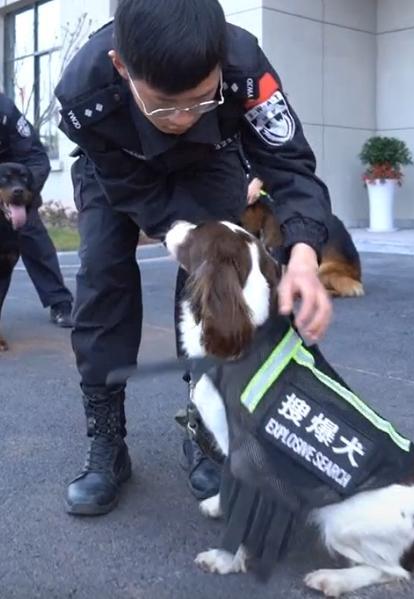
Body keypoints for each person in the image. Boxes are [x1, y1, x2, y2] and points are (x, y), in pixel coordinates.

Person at [55, 0, 333, 516]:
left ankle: (205, 430)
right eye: (164, 105)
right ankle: (108, 443)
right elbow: (132, 191)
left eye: (201, 100)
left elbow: (290, 164)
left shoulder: (245, 66)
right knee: (102, 282)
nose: (182, 118)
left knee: (213, 288)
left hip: (211, 164)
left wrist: (303, 255)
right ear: (122, 66)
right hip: (118, 172)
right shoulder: (84, 92)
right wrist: (178, 234)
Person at [0, 93, 73, 327]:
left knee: (30, 232)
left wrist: (23, 194)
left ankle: (59, 302)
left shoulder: (5, 110)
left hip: (12, 178)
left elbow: (36, 157)